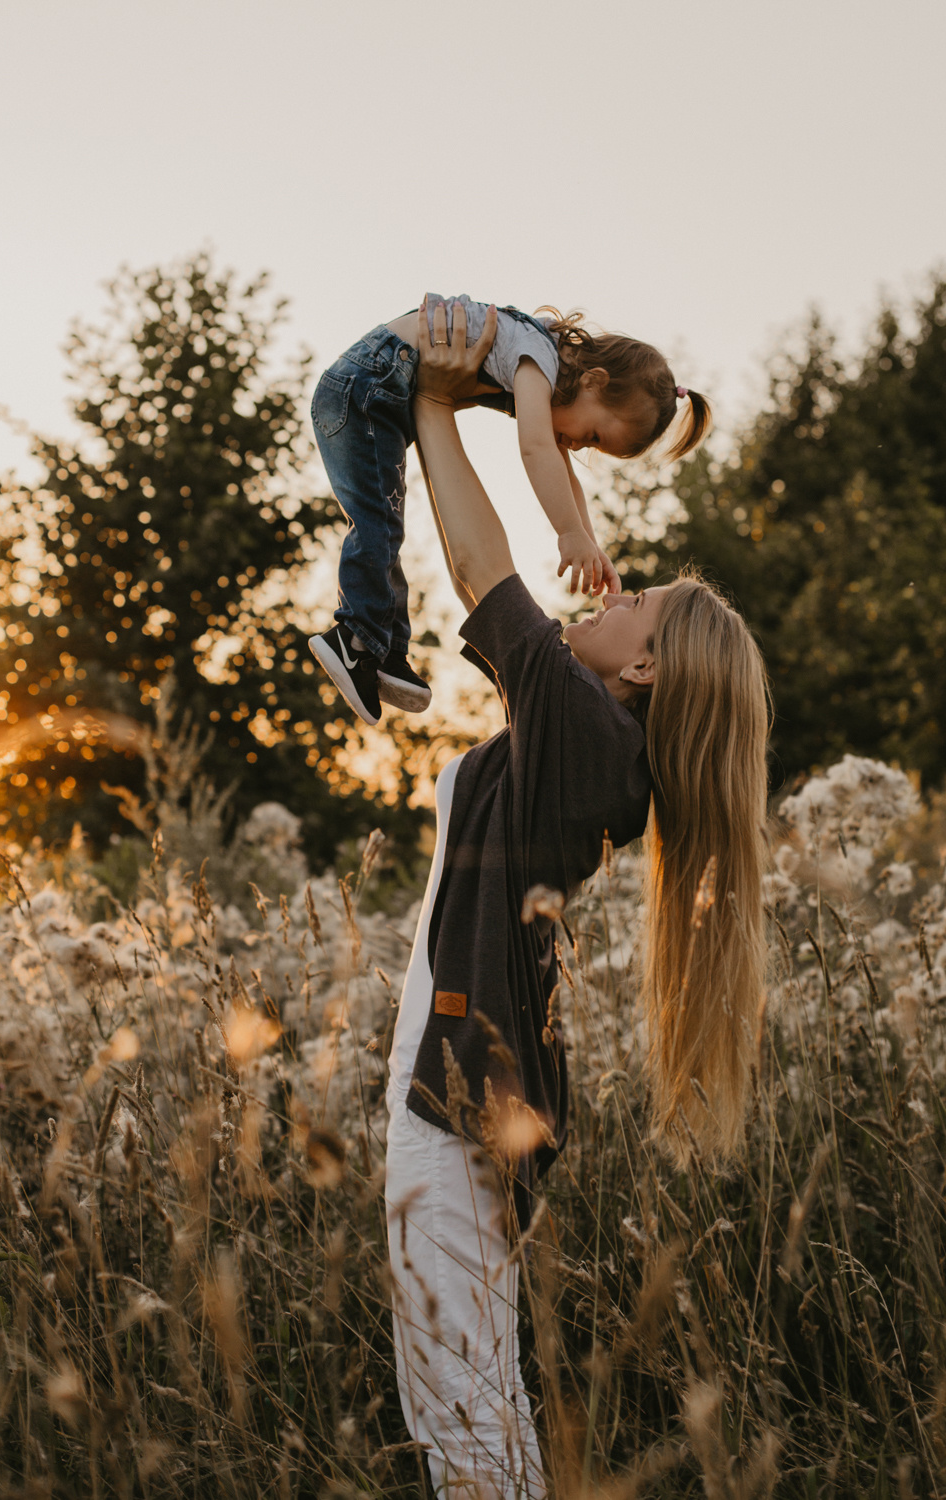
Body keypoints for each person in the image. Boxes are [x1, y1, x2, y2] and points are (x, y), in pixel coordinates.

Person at [384, 302, 769, 1499]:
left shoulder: (589, 729)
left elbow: (477, 569)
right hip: (469, 1106)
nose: (612, 597)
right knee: (471, 1407)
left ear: (645, 671)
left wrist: (437, 405)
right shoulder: (591, 741)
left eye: (635, 607)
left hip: (455, 1121)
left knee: (467, 1434)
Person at [308, 293, 711, 725]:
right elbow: (536, 449)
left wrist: (589, 545)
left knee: (388, 528)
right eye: (593, 435)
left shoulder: (554, 375)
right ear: (593, 380)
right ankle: (355, 637)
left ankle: (383, 650)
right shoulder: (536, 361)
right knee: (378, 523)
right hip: (366, 383)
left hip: (384, 390)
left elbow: (561, 469)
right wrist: (567, 535)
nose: (576, 445)